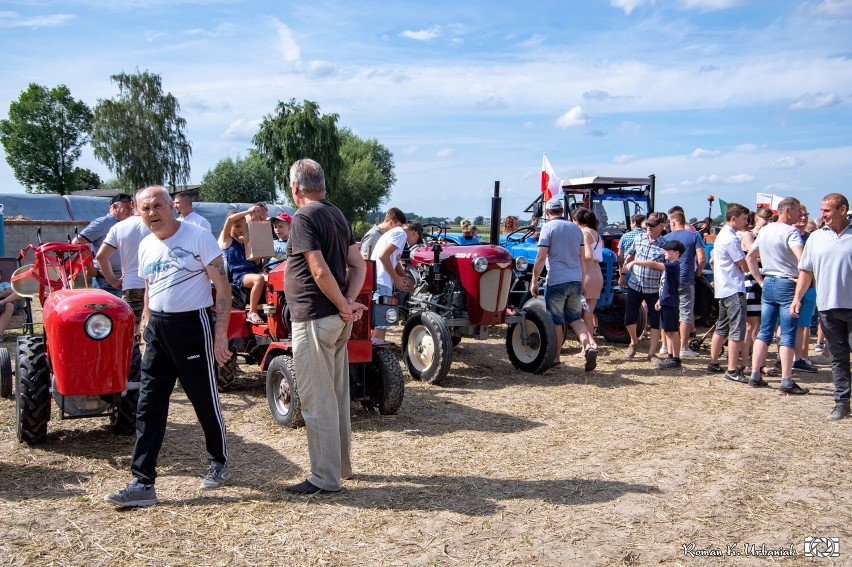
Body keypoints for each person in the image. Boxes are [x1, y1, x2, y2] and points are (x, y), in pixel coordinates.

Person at [105, 186, 232, 508]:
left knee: (202, 398)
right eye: (145, 208)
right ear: (138, 211)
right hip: (159, 330)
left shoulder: (198, 237)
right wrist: (146, 322)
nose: (152, 213)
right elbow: (149, 286)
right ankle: (142, 481)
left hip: (193, 326)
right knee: (148, 404)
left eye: (158, 206)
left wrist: (219, 337)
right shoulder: (146, 245)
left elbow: (223, 289)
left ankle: (218, 460)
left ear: (171, 207)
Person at [284, 158, 367, 495]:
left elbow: (318, 271)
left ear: (295, 188)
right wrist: (346, 302)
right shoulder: (336, 213)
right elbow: (358, 265)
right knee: (335, 397)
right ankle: (340, 467)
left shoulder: (304, 216)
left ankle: (324, 477)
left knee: (318, 400)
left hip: (314, 319)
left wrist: (343, 303)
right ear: (323, 185)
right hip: (334, 319)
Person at [791, 193, 852, 420]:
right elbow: (805, 271)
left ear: (842, 209)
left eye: (827, 210)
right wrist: (798, 298)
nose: (822, 215)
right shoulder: (816, 238)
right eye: (822, 210)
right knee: (838, 358)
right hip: (827, 307)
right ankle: (842, 403)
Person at [746, 197, 808, 394]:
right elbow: (802, 259)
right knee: (788, 333)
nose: (801, 215)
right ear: (788, 211)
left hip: (769, 282)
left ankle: (755, 373)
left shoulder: (765, 230)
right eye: (798, 211)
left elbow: (750, 257)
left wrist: (761, 280)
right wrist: (801, 280)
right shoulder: (790, 232)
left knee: (765, 330)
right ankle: (786, 379)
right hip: (786, 283)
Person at [530, 197, 598, 372]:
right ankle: (589, 346)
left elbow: (541, 256)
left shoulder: (548, 227)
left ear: (547, 213)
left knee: (556, 321)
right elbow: (582, 259)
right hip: (575, 279)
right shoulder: (576, 229)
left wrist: (534, 279)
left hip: (557, 280)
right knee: (576, 318)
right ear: (563, 211)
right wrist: (582, 282)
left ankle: (556, 359)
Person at [96, 202, 152, 383]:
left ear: (132, 205)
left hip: (131, 284)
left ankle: (130, 371)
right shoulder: (157, 224)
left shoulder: (119, 227)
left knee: (130, 331)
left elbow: (101, 257)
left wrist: (113, 281)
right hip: (158, 284)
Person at [625, 240, 686, 369]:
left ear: (676, 253)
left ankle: (676, 359)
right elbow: (664, 286)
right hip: (666, 301)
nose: (665, 252)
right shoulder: (670, 265)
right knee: (668, 331)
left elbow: (653, 264)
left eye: (668, 250)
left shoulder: (673, 265)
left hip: (671, 302)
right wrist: (660, 300)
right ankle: (670, 356)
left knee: (672, 331)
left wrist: (635, 261)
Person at [707, 203, 750, 383]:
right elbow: (743, 263)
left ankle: (714, 362)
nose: (747, 222)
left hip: (724, 289)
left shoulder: (721, 236)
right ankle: (732, 369)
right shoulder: (731, 238)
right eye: (744, 218)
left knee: (722, 327)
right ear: (734, 219)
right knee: (736, 331)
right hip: (734, 288)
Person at [621, 212, 667, 361]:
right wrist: (622, 274)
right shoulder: (639, 238)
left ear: (661, 227)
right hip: (635, 284)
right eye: (647, 224)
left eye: (652, 225)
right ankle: (634, 342)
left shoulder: (664, 244)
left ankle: (651, 353)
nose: (648, 227)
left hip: (653, 288)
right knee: (629, 318)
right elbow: (629, 256)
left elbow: (664, 267)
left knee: (655, 321)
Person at [660, 211, 706, 358]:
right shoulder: (694, 236)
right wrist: (697, 273)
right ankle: (684, 347)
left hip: (668, 280)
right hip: (686, 278)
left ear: (673, 223)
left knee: (665, 311)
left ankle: (665, 346)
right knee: (685, 313)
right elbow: (702, 258)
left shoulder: (665, 238)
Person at [75, 193, 135, 297]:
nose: (130, 210)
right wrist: (90, 268)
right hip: (106, 282)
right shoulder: (103, 223)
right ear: (115, 207)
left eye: (131, 207)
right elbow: (77, 242)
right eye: (127, 207)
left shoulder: (128, 224)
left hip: (125, 280)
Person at [370, 220, 422, 340]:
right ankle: (378, 353)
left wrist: (404, 277)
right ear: (415, 233)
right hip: (382, 281)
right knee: (382, 323)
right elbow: (383, 256)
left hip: (377, 280)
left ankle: (372, 352)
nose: (416, 243)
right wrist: (396, 279)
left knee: (377, 321)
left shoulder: (394, 232)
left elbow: (394, 260)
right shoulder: (401, 234)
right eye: (418, 239)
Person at [219, 206, 266, 325]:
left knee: (273, 277)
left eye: (243, 226)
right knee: (259, 279)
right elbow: (230, 220)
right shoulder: (227, 240)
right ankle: (252, 312)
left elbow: (256, 263)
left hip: (253, 271)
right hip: (240, 274)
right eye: (237, 226)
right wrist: (249, 212)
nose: (240, 229)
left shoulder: (245, 241)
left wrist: (254, 248)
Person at [739, 206, 772, 371]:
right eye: (764, 218)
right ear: (756, 218)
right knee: (751, 324)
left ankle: (759, 363)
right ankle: (746, 362)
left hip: (767, 278)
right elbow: (753, 254)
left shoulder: (768, 235)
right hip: (752, 280)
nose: (767, 221)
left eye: (770, 219)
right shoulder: (748, 235)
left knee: (762, 324)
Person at [791, 205, 818, 373]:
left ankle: (802, 357)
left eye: (805, 215)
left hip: (809, 287)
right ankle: (786, 357)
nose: (803, 218)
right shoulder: (788, 236)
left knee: (805, 325)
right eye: (800, 215)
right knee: (787, 323)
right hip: (791, 285)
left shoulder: (811, 238)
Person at [573, 207, 603, 343]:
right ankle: (588, 345)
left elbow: (588, 255)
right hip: (598, 275)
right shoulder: (596, 234)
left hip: (587, 275)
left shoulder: (584, 233)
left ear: (578, 221)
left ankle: (589, 344)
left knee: (577, 315)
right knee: (589, 314)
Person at [0, 273, 26, 338]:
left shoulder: (4, 284)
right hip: (5, 300)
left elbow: (12, 290)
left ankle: (0, 334)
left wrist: (4, 294)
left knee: (10, 305)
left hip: (7, 301)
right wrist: (3, 292)